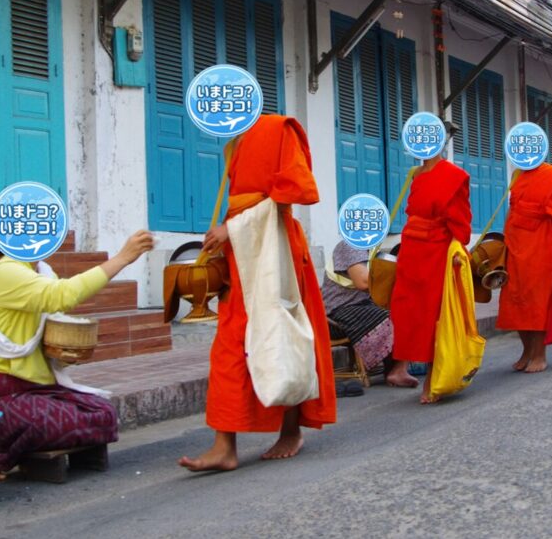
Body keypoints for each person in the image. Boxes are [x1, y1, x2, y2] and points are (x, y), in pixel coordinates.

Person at [179, 115, 336, 472]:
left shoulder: (277, 130)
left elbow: (298, 191)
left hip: (276, 250)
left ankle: (292, 430)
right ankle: (224, 446)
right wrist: (226, 235)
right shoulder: (231, 145)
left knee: (284, 335)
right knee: (229, 348)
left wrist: (232, 228)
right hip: (240, 253)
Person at [0, 230, 154, 475]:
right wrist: (122, 258)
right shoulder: (4, 271)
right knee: (47, 422)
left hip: (35, 389)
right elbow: (62, 296)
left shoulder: (40, 271)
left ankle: (21, 443)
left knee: (103, 413)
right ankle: (0, 456)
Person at [388, 143, 472, 403]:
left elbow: (460, 220)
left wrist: (459, 250)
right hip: (411, 250)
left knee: (434, 313)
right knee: (405, 310)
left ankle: (432, 379)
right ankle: (399, 369)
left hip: (437, 253)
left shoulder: (452, 176)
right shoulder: (415, 173)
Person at [498, 161, 552, 372]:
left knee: (538, 301)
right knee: (515, 300)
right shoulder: (518, 176)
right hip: (516, 244)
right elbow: (513, 209)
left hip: (542, 246)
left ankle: (539, 354)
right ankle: (526, 351)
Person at [321, 240, 418, 388]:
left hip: (360, 307)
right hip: (337, 312)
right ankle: (397, 370)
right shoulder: (350, 245)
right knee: (397, 316)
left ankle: (396, 369)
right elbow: (363, 282)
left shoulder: (371, 249)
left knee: (406, 309)